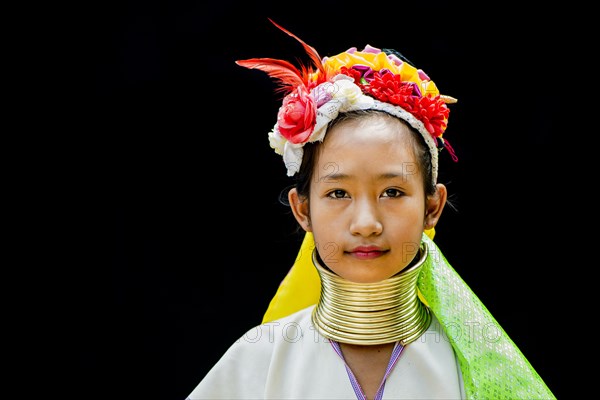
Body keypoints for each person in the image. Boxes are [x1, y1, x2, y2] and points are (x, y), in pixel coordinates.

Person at [186, 19, 555, 400]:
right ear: (302, 210)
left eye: (393, 192)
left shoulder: (478, 367)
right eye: (338, 193)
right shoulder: (256, 365)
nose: (366, 224)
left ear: (433, 207)